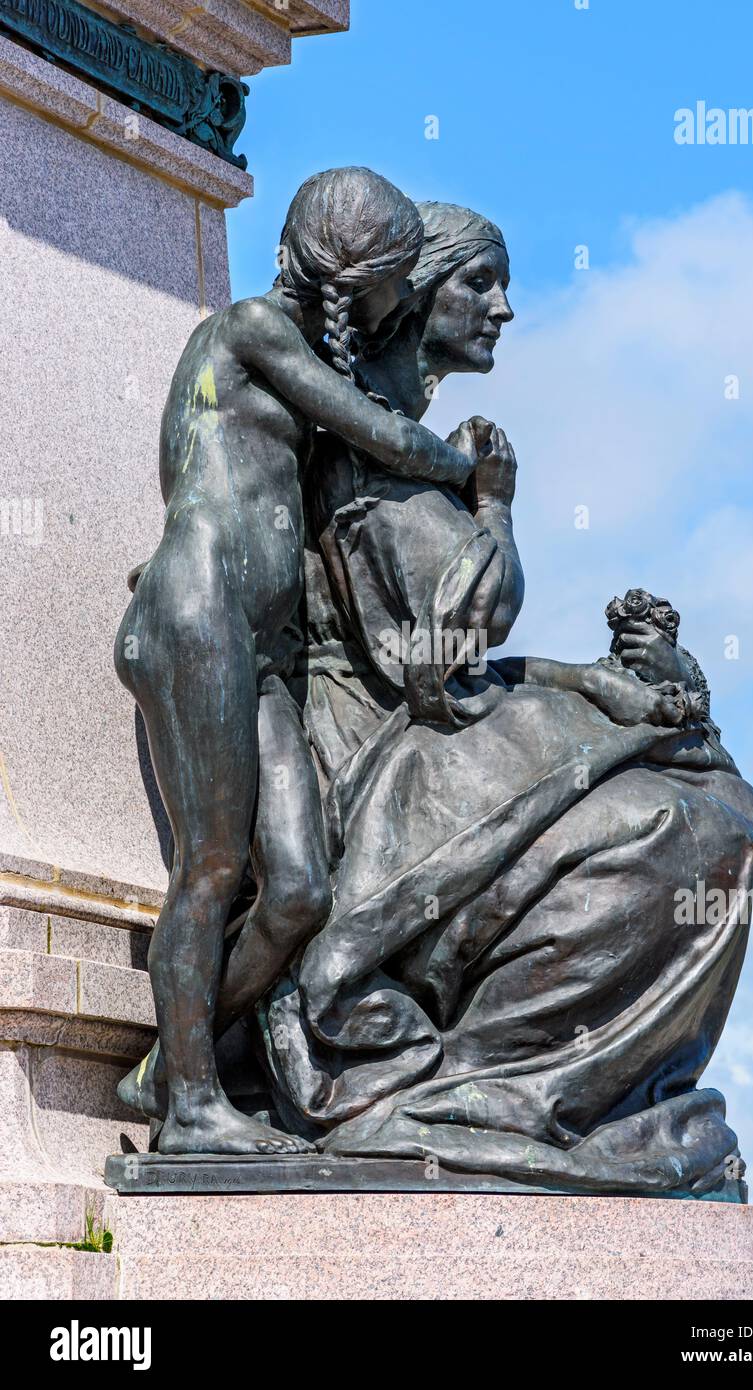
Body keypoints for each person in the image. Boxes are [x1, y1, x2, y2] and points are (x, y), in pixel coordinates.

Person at [261, 203, 753, 1197]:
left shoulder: (415, 443)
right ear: (407, 298)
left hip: (432, 731)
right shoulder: (375, 446)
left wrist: (604, 682)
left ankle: (548, 1087)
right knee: (678, 824)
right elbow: (443, 662)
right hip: (382, 760)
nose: (503, 307)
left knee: (714, 807)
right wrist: (493, 503)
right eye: (477, 283)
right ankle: (483, 1086)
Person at [114, 172, 486, 1155]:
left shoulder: (291, 357)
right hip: (198, 614)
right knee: (212, 864)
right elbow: (381, 432)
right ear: (349, 270)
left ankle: (173, 1062)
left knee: (297, 892)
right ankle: (193, 1105)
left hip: (261, 644)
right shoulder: (249, 328)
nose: (396, 299)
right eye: (391, 279)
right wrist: (473, 475)